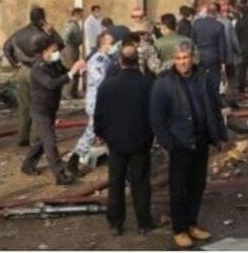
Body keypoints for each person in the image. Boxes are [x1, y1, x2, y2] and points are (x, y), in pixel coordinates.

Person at [150, 43, 227, 248]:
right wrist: (169, 142)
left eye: (186, 57)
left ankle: (192, 223)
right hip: (180, 143)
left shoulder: (203, 77)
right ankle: (180, 228)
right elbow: (157, 118)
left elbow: (214, 107)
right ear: (174, 60)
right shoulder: (165, 83)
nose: (183, 62)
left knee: (197, 186)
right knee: (179, 188)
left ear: (192, 57)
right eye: (179, 58)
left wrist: (218, 135)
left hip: (201, 140)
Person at [94, 42, 155, 237]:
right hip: (140, 142)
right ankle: (144, 222)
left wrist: (104, 135)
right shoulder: (147, 84)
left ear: (120, 61)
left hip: (116, 142)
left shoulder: (107, 85)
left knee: (116, 183)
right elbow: (153, 114)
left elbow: (99, 116)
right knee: (141, 183)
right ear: (137, 62)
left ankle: (115, 223)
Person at [20, 34, 86, 185]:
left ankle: (28, 164)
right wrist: (71, 73)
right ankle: (60, 175)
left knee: (44, 140)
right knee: (50, 141)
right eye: (54, 50)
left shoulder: (55, 64)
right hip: (40, 110)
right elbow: (51, 83)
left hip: (51, 108)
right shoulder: (38, 68)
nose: (57, 53)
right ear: (44, 52)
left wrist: (78, 71)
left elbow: (66, 72)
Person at [4, 6, 55, 146]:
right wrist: (52, 31)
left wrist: (15, 64)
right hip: (38, 70)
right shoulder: (43, 36)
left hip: (23, 71)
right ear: (42, 19)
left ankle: (22, 137)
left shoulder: (18, 34)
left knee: (24, 105)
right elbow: (59, 45)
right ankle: (35, 139)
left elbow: (6, 48)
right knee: (39, 106)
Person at [68, 31, 117, 174]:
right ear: (103, 44)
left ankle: (115, 161)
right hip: (96, 103)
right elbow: (102, 82)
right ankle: (74, 159)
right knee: (92, 132)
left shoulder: (109, 59)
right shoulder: (97, 60)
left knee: (108, 131)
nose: (114, 46)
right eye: (111, 43)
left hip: (105, 102)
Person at [191, 3, 228, 97]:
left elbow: (192, 40)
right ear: (216, 13)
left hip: (199, 55)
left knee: (200, 79)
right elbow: (222, 45)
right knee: (214, 80)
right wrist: (223, 63)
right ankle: (214, 100)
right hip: (213, 55)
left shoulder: (197, 23)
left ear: (206, 12)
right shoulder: (219, 25)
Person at [60, 7, 85, 99]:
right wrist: (66, 49)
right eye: (81, 14)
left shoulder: (76, 24)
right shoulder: (70, 25)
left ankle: (74, 92)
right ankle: (66, 93)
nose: (82, 16)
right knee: (71, 70)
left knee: (77, 70)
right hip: (69, 49)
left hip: (74, 48)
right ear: (76, 14)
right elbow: (64, 38)